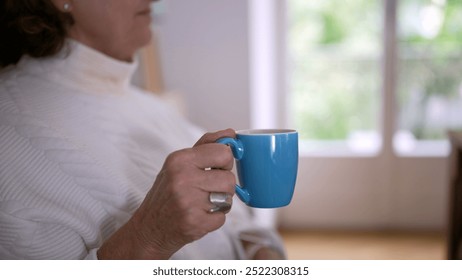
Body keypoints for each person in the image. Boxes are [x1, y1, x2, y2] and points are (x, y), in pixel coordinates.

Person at [0, 0, 285, 259]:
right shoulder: (10, 140)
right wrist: (149, 238)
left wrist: (260, 252)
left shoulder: (153, 108)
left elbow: (237, 223)